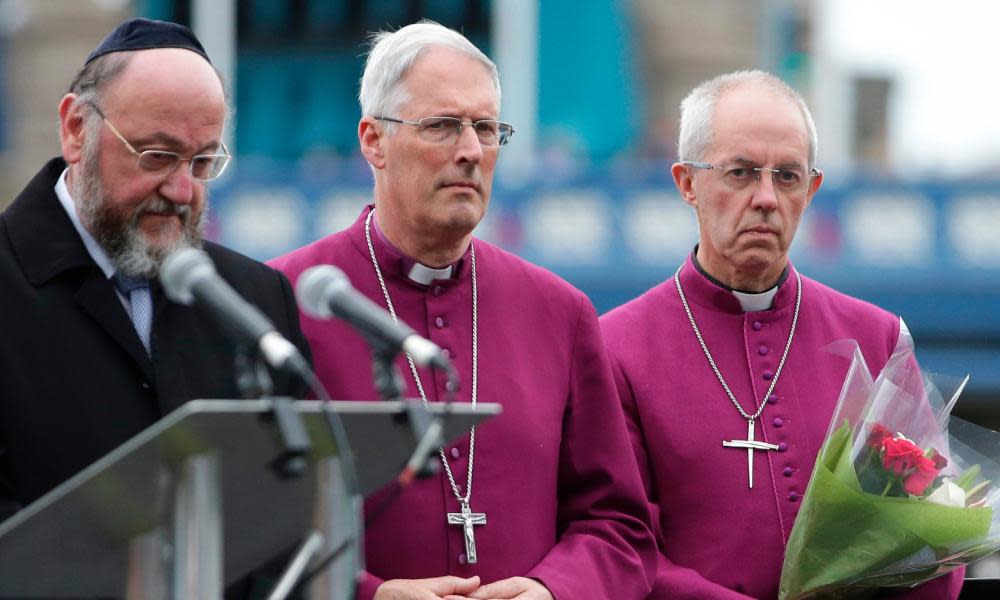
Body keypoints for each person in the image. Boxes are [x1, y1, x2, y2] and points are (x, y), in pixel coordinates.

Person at [269, 21, 655, 600]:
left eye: (487, 128)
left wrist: (554, 591)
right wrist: (368, 594)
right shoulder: (284, 299)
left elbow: (619, 526)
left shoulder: (559, 312)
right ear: (373, 140)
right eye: (443, 126)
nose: (472, 150)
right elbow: (253, 527)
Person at [600, 70, 963, 599]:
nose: (766, 198)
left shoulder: (875, 337)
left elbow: (936, 540)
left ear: (812, 189)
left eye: (787, 176)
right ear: (687, 183)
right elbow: (618, 545)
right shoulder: (616, 348)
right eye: (742, 173)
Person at [0, 18, 309, 524]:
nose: (183, 190)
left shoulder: (254, 299)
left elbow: (286, 513)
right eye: (158, 156)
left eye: (203, 161)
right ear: (77, 130)